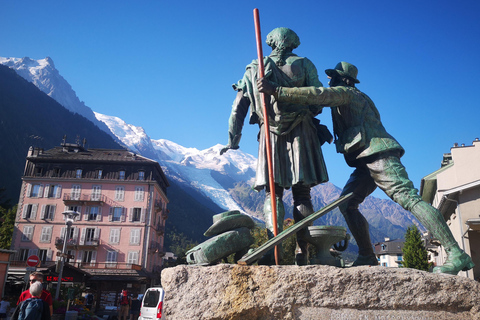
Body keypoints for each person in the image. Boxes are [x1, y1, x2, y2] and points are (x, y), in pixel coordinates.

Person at [257, 61, 475, 275]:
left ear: (343, 80)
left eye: (332, 76)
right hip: (364, 161)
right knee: (348, 204)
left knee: (409, 199)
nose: (328, 79)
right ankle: (366, 255)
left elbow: (318, 94)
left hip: (378, 155)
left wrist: (276, 90)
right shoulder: (357, 98)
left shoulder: (347, 93)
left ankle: (456, 253)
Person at [220, 27, 330, 265]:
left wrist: (233, 140)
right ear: (293, 44)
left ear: (271, 43)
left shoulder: (253, 69)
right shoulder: (305, 65)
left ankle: (273, 248)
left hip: (270, 133)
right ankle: (303, 250)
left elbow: (237, 109)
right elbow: (318, 101)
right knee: (302, 192)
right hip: (302, 131)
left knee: (273, 193)